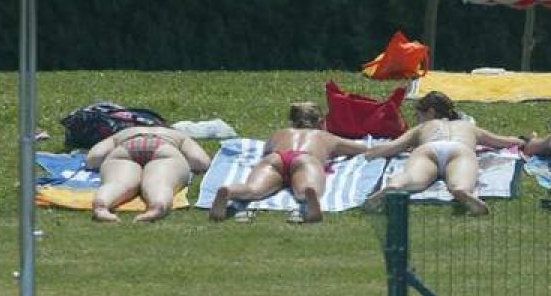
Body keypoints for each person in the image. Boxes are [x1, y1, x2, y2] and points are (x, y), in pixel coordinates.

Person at [364, 91, 523, 216]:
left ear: (431, 112)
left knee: (412, 177)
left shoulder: (423, 127)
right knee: (460, 182)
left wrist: (370, 152)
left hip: (428, 149)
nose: (416, 119)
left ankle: (394, 186)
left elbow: (392, 147)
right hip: (460, 149)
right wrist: (524, 141)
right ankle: (462, 192)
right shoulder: (467, 127)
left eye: (418, 115)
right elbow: (503, 141)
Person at [209, 102, 368, 224]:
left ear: (293, 122)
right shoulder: (325, 137)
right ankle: (309, 195)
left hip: (276, 158)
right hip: (305, 159)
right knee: (304, 190)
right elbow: (361, 149)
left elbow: (266, 151)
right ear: (321, 123)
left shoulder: (279, 134)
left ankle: (229, 191)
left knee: (253, 190)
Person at [86, 125, 211, 223]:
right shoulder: (178, 135)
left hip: (127, 146)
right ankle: (157, 206)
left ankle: (101, 206)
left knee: (117, 183)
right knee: (159, 183)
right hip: (163, 147)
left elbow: (94, 157)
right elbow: (200, 161)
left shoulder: (124, 133)